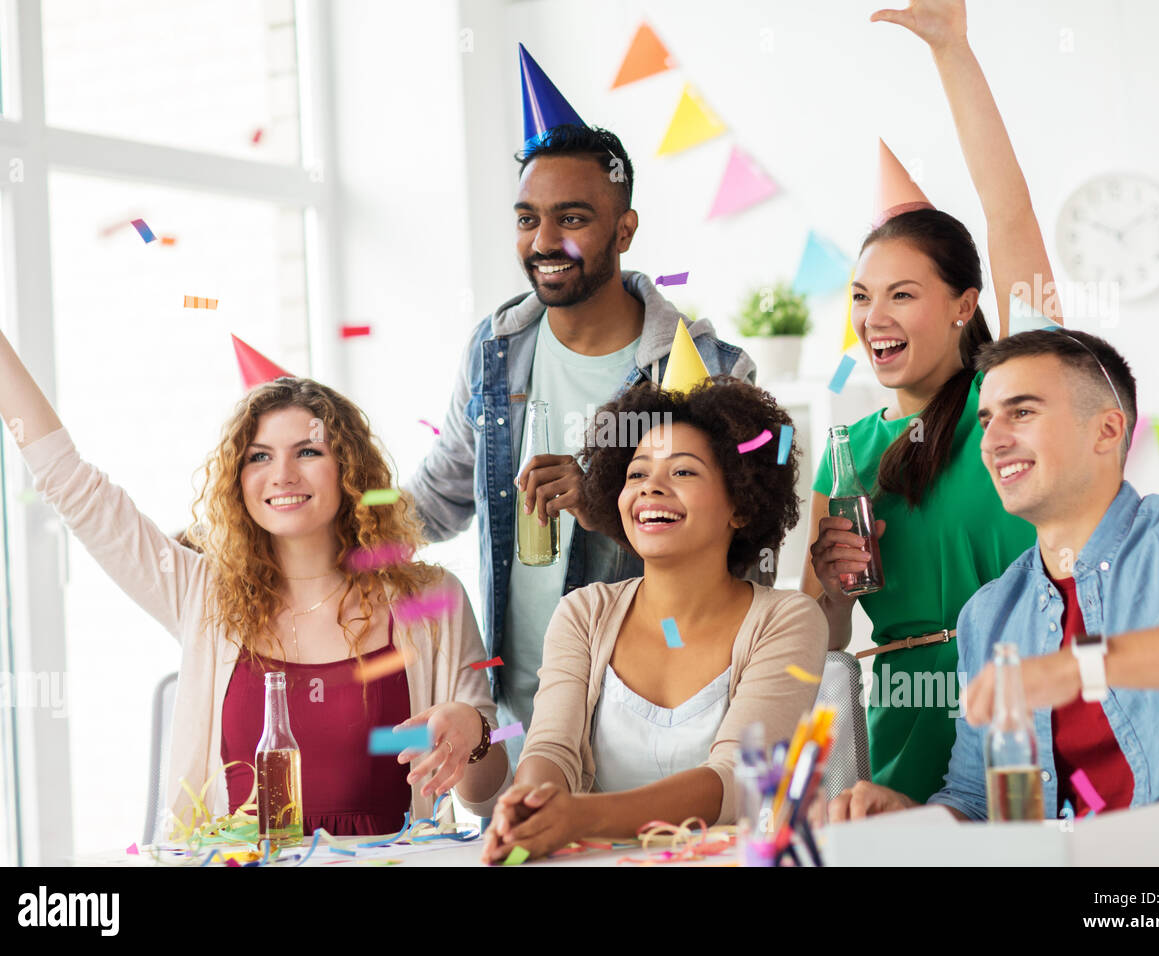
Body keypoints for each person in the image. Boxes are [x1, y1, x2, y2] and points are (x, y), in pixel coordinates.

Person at [0, 274, 511, 836]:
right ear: (237, 478)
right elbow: (67, 480)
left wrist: (472, 734)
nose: (282, 475)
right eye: (258, 457)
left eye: (307, 451)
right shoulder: (202, 593)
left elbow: (486, 791)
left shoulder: (432, 600)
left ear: (350, 470)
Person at [405, 124, 757, 759]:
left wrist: (608, 508)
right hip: (514, 724)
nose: (543, 242)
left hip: (660, 726)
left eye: (571, 218)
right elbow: (435, 500)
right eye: (526, 218)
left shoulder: (703, 367)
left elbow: (749, 548)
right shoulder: (495, 350)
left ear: (624, 230)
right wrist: (259, 531)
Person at [826, 330, 1159, 827]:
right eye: (987, 420)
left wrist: (1076, 668)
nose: (992, 442)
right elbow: (975, 799)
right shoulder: (989, 614)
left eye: (1023, 412)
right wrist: (907, 819)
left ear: (1106, 430)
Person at [801, 0, 1060, 804]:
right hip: (901, 733)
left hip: (1026, 705)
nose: (874, 317)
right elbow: (823, 647)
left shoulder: (1008, 399)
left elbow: (1010, 216)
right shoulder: (848, 457)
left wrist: (954, 54)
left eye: (903, 294)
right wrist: (831, 590)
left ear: (962, 302)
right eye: (860, 296)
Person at [480, 380, 826, 862]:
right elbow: (550, 750)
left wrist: (579, 816)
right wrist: (532, 803)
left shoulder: (786, 620)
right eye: (637, 473)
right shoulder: (583, 613)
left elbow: (733, 780)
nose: (650, 487)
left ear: (742, 506)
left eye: (683, 471)